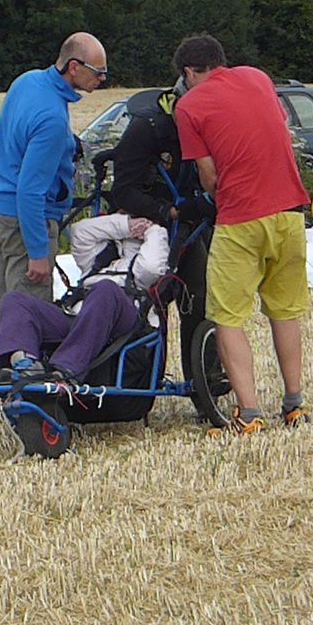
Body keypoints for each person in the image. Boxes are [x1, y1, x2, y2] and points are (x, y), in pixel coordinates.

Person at [0, 32, 108, 427]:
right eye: (98, 72)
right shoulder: (50, 117)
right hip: (24, 219)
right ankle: (27, 409)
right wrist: (37, 253)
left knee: (0, 308)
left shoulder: (28, 81)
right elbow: (30, 190)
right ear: (74, 67)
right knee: (29, 316)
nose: (103, 80)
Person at [172, 34, 309, 435]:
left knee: (226, 316)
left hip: (240, 219)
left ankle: (248, 414)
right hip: (290, 214)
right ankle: (294, 404)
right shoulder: (257, 77)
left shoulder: (188, 105)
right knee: (284, 311)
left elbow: (208, 174)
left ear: (187, 72)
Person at [106, 78, 215, 414]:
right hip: (147, 226)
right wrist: (165, 212)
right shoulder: (147, 128)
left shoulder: (210, 123)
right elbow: (122, 191)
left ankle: (206, 386)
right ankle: (135, 385)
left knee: (197, 297)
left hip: (190, 224)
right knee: (146, 304)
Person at [0, 213, 167, 381]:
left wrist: (152, 228)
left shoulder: (150, 254)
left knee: (106, 289)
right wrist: (126, 226)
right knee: (15, 300)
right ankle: (26, 364)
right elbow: (79, 231)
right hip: (82, 316)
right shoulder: (102, 253)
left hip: (123, 316)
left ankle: (66, 369)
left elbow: (151, 268)